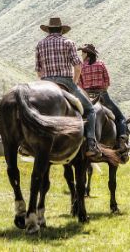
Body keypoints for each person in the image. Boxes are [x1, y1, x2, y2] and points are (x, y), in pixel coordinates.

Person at [35, 16, 101, 160]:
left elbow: (39, 71)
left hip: (45, 83)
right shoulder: (68, 42)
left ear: (48, 30)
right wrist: (75, 83)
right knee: (90, 110)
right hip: (65, 82)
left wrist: (43, 84)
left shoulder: (40, 44)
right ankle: (91, 144)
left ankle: (26, 145)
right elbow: (78, 66)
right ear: (61, 30)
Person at [76, 43, 130, 150]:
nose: (81, 55)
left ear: (87, 54)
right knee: (120, 118)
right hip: (102, 96)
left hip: (87, 97)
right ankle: (121, 141)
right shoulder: (100, 64)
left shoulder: (81, 67)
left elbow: (80, 84)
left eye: (83, 52)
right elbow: (107, 82)